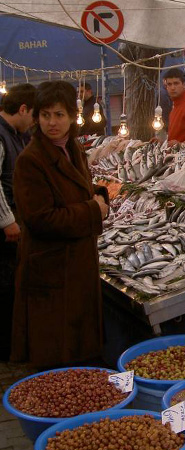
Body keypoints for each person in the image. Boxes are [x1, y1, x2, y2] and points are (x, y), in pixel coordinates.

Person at [11, 80, 109, 367]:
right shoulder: (30, 160)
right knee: (55, 355)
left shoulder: (73, 149)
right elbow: (42, 219)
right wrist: (93, 210)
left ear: (70, 116)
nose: (51, 123)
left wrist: (97, 195)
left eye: (59, 115)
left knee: (79, 352)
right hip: (51, 270)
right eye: (45, 115)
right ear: (36, 116)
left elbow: (75, 190)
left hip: (77, 264)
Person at [0, 83, 36, 361]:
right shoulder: (1, 135)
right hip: (5, 229)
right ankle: (7, 348)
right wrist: (7, 221)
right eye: (35, 115)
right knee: (5, 286)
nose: (35, 123)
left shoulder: (15, 135)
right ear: (23, 109)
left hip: (14, 222)